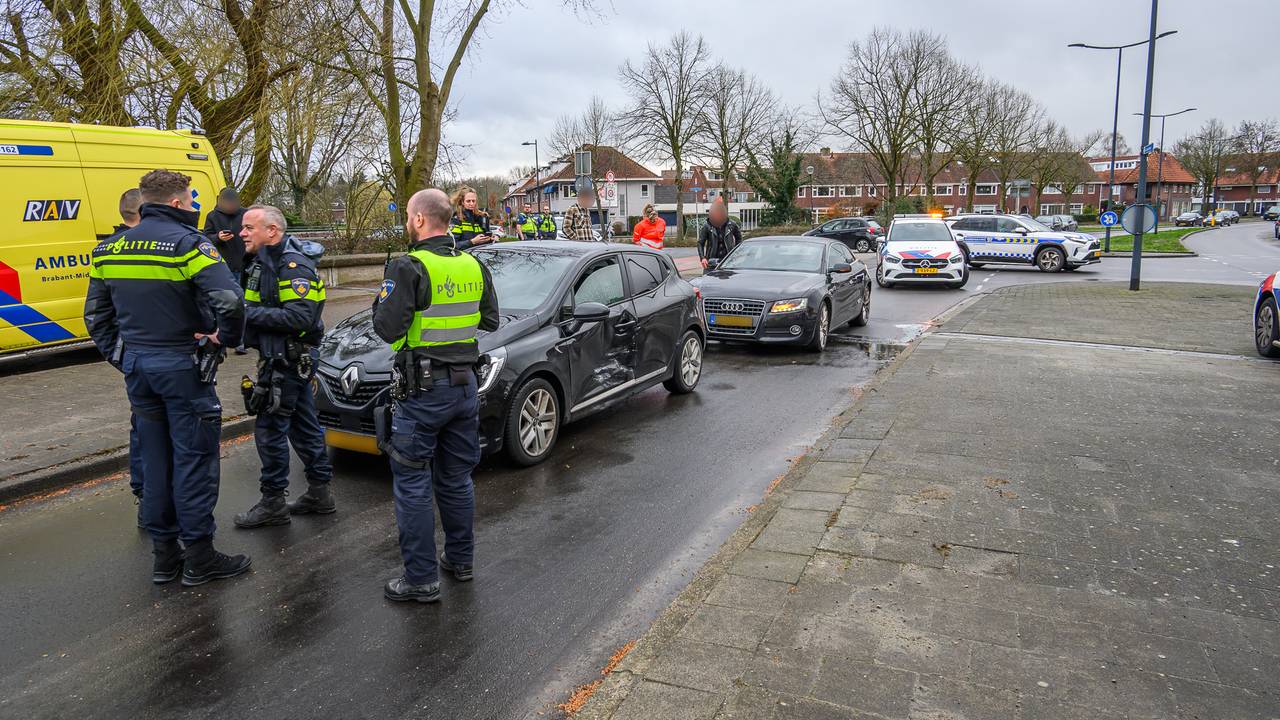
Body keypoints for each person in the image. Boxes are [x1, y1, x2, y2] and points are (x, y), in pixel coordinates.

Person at [84, 169, 249, 587]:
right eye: (192, 200)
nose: (196, 206)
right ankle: (199, 557)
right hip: (182, 368)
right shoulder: (189, 246)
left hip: (140, 369)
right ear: (175, 203)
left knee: (154, 462)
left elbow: (96, 317)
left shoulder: (109, 249)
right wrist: (221, 342)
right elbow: (230, 300)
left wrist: (124, 356)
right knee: (193, 460)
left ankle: (164, 557)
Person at [372, 188, 500, 603]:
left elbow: (387, 329)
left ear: (421, 220)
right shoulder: (474, 265)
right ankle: (460, 562)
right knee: (456, 478)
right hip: (464, 387)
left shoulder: (407, 265)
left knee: (412, 483)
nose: (407, 222)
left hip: (422, 392)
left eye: (409, 216)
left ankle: (421, 580)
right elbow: (491, 320)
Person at [232, 204, 337, 528]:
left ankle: (273, 503)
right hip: (286, 359)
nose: (242, 233)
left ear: (272, 231)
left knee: (270, 431)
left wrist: (244, 314)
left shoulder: (292, 266)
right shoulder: (263, 262)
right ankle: (320, 494)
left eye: (250, 227)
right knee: (303, 426)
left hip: (286, 360)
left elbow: (300, 317)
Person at [203, 188, 247, 281]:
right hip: (223, 266)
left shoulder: (246, 214)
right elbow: (205, 238)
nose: (230, 206)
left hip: (244, 266)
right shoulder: (212, 216)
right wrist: (218, 237)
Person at [449, 186, 497, 251]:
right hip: (465, 258)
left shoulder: (481, 217)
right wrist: (472, 241)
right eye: (468, 201)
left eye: (473, 201)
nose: (471, 203)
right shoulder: (456, 219)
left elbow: (484, 241)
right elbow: (453, 245)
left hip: (480, 256)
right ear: (462, 202)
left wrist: (491, 239)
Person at [697, 198, 742, 268]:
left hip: (728, 260)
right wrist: (702, 258)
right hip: (711, 260)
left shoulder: (732, 224)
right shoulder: (707, 226)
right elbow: (700, 243)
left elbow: (739, 238)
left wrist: (735, 252)